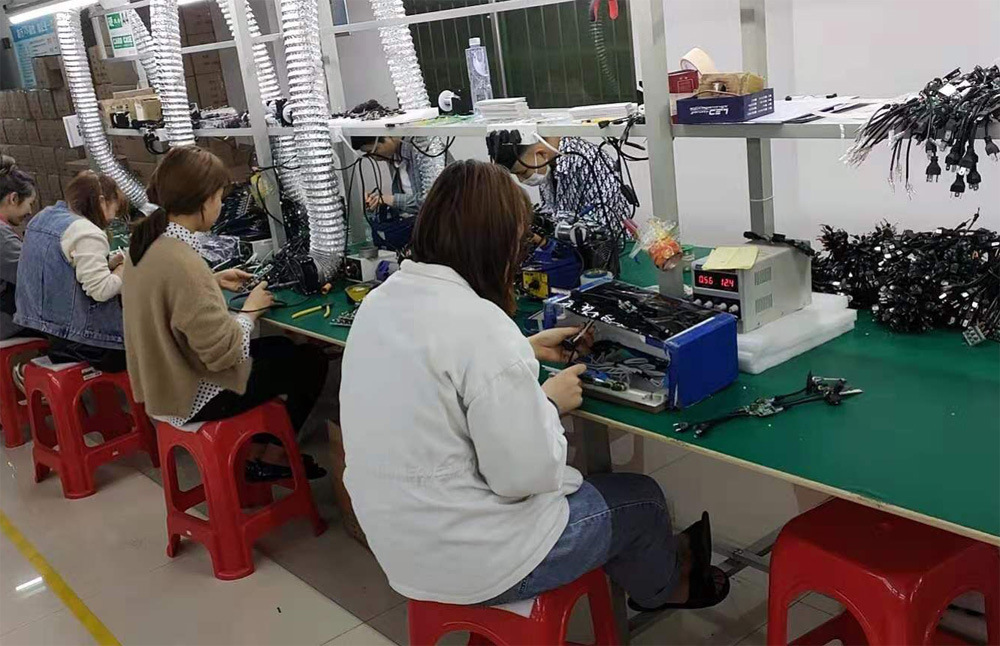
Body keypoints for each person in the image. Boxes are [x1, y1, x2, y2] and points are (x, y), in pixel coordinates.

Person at [340, 160, 729, 611]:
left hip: (397, 545)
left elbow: (435, 374)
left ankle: (656, 564)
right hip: (478, 561)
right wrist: (547, 402)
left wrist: (521, 350)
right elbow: (522, 478)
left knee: (601, 492)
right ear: (498, 246)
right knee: (642, 500)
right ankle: (666, 590)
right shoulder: (481, 326)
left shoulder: (381, 302)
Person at [121, 146, 328, 482]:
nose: (220, 205)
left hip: (160, 381)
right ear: (204, 201)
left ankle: (259, 449)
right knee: (310, 361)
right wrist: (250, 311)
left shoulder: (146, 243)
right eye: (219, 197)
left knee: (281, 349)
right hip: (192, 395)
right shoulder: (182, 261)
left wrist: (212, 281)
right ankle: (270, 457)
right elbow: (225, 354)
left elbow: (166, 297)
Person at [14, 171, 128, 371]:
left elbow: (62, 266)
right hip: (86, 341)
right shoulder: (86, 232)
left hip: (45, 329)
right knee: (153, 343)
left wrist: (108, 264)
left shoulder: (44, 217)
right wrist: (123, 269)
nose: (112, 219)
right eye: (115, 210)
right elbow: (101, 290)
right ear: (101, 201)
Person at [487, 133, 633, 272]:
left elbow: (607, 227)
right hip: (571, 260)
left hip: (612, 259)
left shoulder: (590, 160)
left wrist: (548, 236)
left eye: (523, 172)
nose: (521, 180)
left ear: (541, 154)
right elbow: (552, 214)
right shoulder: (548, 163)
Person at [0, 156, 37, 341]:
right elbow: (35, 275)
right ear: (13, 198)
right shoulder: (2, 238)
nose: (30, 212)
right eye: (30, 204)